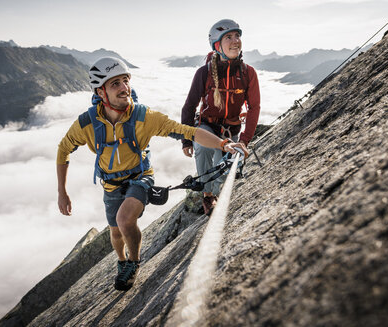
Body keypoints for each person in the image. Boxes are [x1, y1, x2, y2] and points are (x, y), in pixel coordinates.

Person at [57, 57, 241, 291]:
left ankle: (133, 262)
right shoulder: (87, 123)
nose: (124, 88)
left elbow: (188, 131)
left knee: (125, 220)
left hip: (139, 178)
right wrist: (62, 192)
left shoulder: (144, 117)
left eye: (126, 80)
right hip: (111, 184)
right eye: (115, 84)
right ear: (100, 92)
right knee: (115, 233)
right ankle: (122, 261)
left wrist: (224, 144)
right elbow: (64, 149)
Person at [181, 19, 261, 215]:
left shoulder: (247, 73)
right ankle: (208, 195)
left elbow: (254, 107)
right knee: (203, 148)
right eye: (229, 37)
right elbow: (190, 106)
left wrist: (244, 141)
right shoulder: (204, 73)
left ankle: (215, 188)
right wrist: (186, 140)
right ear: (217, 45)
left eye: (237, 36)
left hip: (231, 129)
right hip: (208, 125)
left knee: (224, 170)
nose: (235, 41)